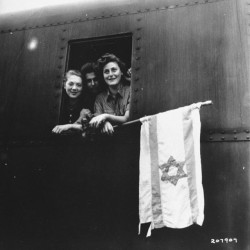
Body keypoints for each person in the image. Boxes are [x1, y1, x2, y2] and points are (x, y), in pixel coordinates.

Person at [89, 53, 130, 135]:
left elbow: (126, 118)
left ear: (121, 72)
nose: (110, 74)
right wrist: (104, 123)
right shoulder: (99, 98)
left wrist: (105, 116)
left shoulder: (130, 90)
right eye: (106, 72)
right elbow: (97, 120)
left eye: (114, 70)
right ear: (103, 76)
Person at [52, 70, 92, 134]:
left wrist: (69, 126)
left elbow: (87, 128)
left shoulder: (87, 105)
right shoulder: (58, 104)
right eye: (71, 84)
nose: (74, 88)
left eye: (78, 85)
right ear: (64, 85)